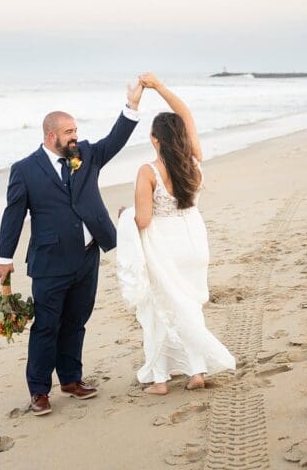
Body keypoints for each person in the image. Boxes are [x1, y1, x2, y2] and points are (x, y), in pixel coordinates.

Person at [0, 81, 142, 416]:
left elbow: (115, 140)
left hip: (87, 256)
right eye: (68, 131)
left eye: (76, 129)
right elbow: (13, 215)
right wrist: (4, 258)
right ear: (51, 136)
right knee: (47, 325)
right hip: (50, 263)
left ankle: (71, 380)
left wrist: (131, 105)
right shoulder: (25, 170)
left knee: (77, 320)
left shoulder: (86, 155)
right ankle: (39, 391)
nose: (74, 136)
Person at [115, 73, 235, 394]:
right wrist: (159, 88)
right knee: (189, 307)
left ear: (155, 140)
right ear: (181, 136)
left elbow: (142, 220)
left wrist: (123, 215)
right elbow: (187, 115)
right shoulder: (194, 161)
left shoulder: (148, 171)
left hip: (164, 246)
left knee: (160, 309)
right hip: (194, 241)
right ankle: (196, 372)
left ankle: (160, 380)